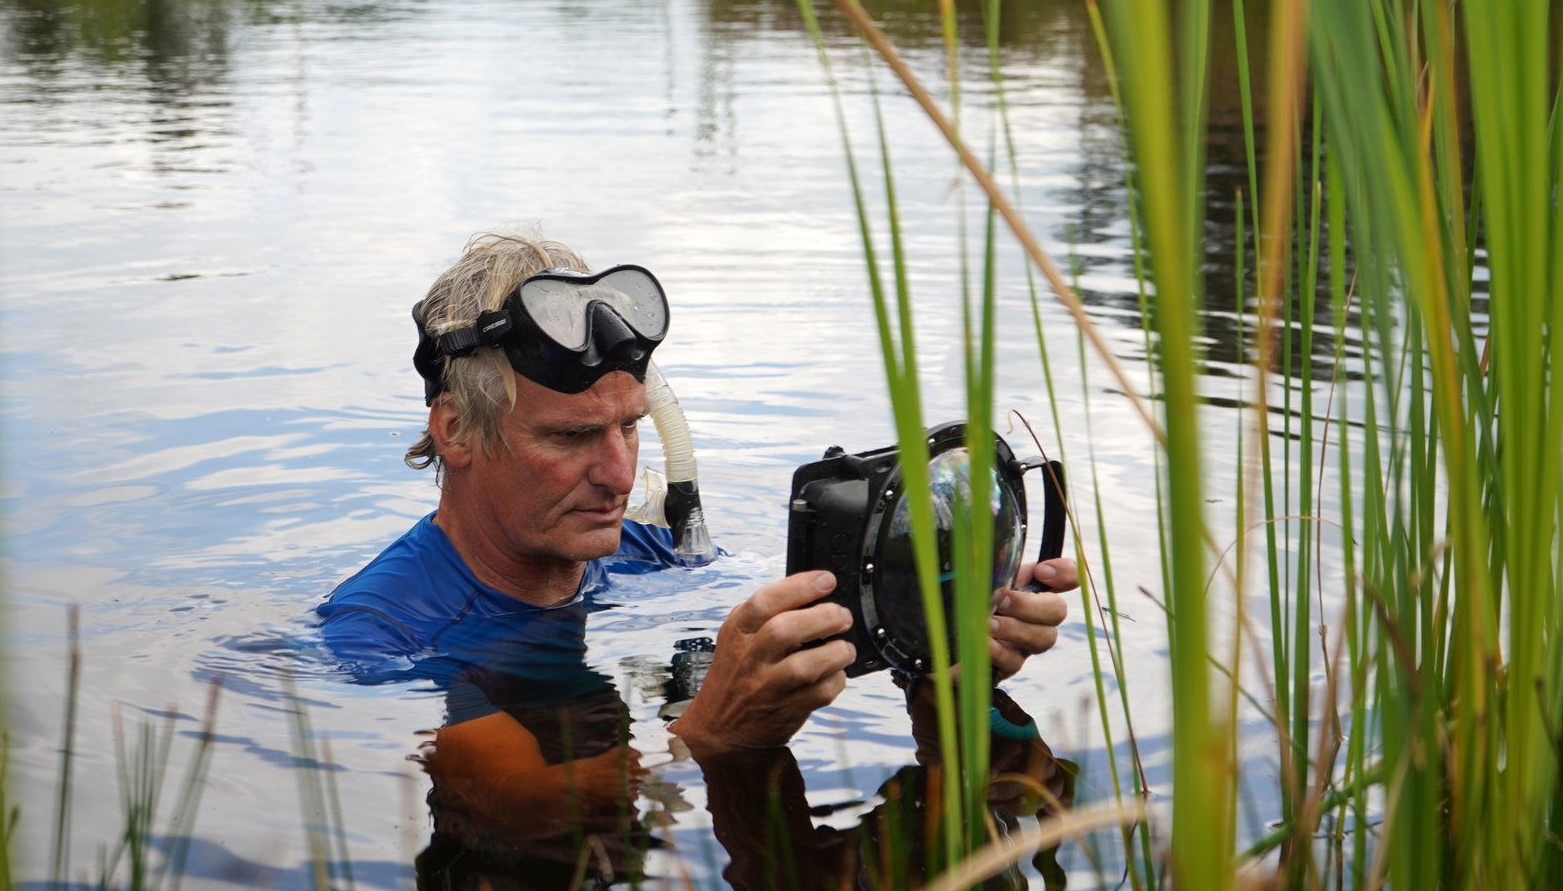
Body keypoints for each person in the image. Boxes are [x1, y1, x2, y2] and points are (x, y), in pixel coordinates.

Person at [316, 231, 1079, 878]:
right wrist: (712, 733)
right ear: (454, 431)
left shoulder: (653, 559)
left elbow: (809, 601)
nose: (621, 477)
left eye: (629, 428)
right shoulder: (380, 635)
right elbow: (531, 801)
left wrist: (936, 629)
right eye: (572, 437)